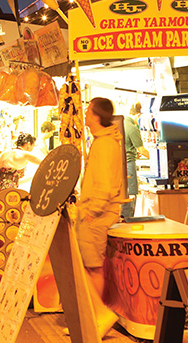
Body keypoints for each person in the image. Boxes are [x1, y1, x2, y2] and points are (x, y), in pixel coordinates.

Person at [76, 97, 125, 336]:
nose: (85, 115)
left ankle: (101, 316)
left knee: (93, 267)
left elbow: (104, 184)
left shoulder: (105, 145)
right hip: (94, 213)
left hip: (96, 215)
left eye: (88, 111)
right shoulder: (101, 142)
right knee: (90, 266)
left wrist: (91, 212)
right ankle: (94, 316)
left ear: (96, 116)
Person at [0, 134, 42, 201]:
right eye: (33, 146)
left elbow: (11, 179)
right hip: (8, 190)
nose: (33, 149)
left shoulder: (5, 153)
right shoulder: (25, 154)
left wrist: (32, 178)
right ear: (28, 144)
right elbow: (45, 162)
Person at [123, 101, 149, 219]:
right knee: (131, 194)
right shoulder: (132, 128)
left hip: (122, 164)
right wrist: (157, 160)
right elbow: (142, 150)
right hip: (129, 165)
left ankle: (124, 218)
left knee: (125, 193)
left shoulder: (122, 123)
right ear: (138, 115)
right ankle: (128, 219)